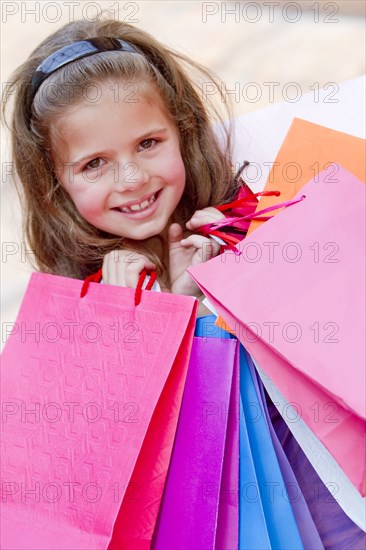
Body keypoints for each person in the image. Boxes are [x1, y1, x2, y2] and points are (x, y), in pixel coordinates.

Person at [3, 16, 247, 314]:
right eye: (94, 164)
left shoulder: (254, 222)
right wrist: (133, 319)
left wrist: (221, 285)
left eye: (147, 143)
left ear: (183, 130)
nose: (132, 180)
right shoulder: (69, 315)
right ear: (52, 181)